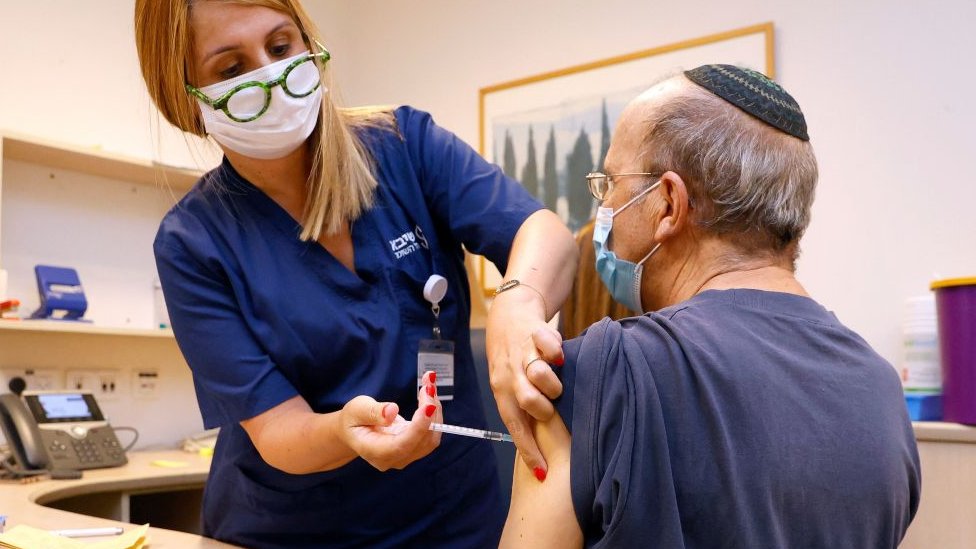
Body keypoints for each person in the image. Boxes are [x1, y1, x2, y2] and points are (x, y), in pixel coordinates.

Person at [133, 1, 577, 547]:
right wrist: (343, 431)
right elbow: (277, 430)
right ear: (183, 97)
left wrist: (518, 297)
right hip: (291, 531)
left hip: (452, 518)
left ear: (308, 43)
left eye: (279, 47)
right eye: (231, 69)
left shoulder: (403, 146)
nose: (270, 76)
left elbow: (544, 233)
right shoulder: (194, 242)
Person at [501, 65, 921, 548]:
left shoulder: (597, 374)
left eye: (611, 184)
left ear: (668, 205)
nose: (605, 211)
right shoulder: (881, 388)